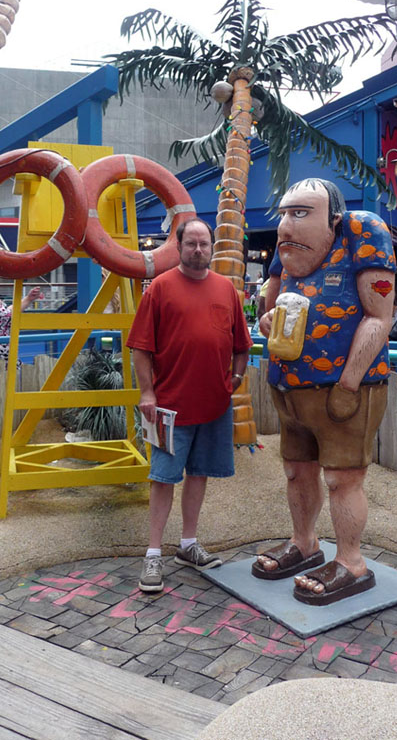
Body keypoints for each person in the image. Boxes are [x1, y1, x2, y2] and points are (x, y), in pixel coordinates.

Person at [254, 178, 395, 606]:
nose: (285, 225)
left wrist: (350, 382)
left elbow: (379, 316)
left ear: (333, 220)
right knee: (298, 471)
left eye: (300, 213)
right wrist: (264, 320)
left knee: (342, 478)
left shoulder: (364, 233)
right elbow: (269, 304)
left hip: (344, 389)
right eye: (283, 214)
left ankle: (350, 561)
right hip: (292, 389)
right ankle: (305, 542)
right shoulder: (288, 253)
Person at [127, 218, 252, 593]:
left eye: (204, 244)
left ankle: (187, 544)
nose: (199, 250)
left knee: (199, 473)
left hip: (214, 405)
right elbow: (140, 348)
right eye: (191, 244)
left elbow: (241, 343)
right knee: (163, 478)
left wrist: (237, 377)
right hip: (170, 406)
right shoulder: (160, 288)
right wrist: (148, 393)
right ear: (179, 247)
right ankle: (152, 554)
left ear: (212, 248)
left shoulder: (226, 290)